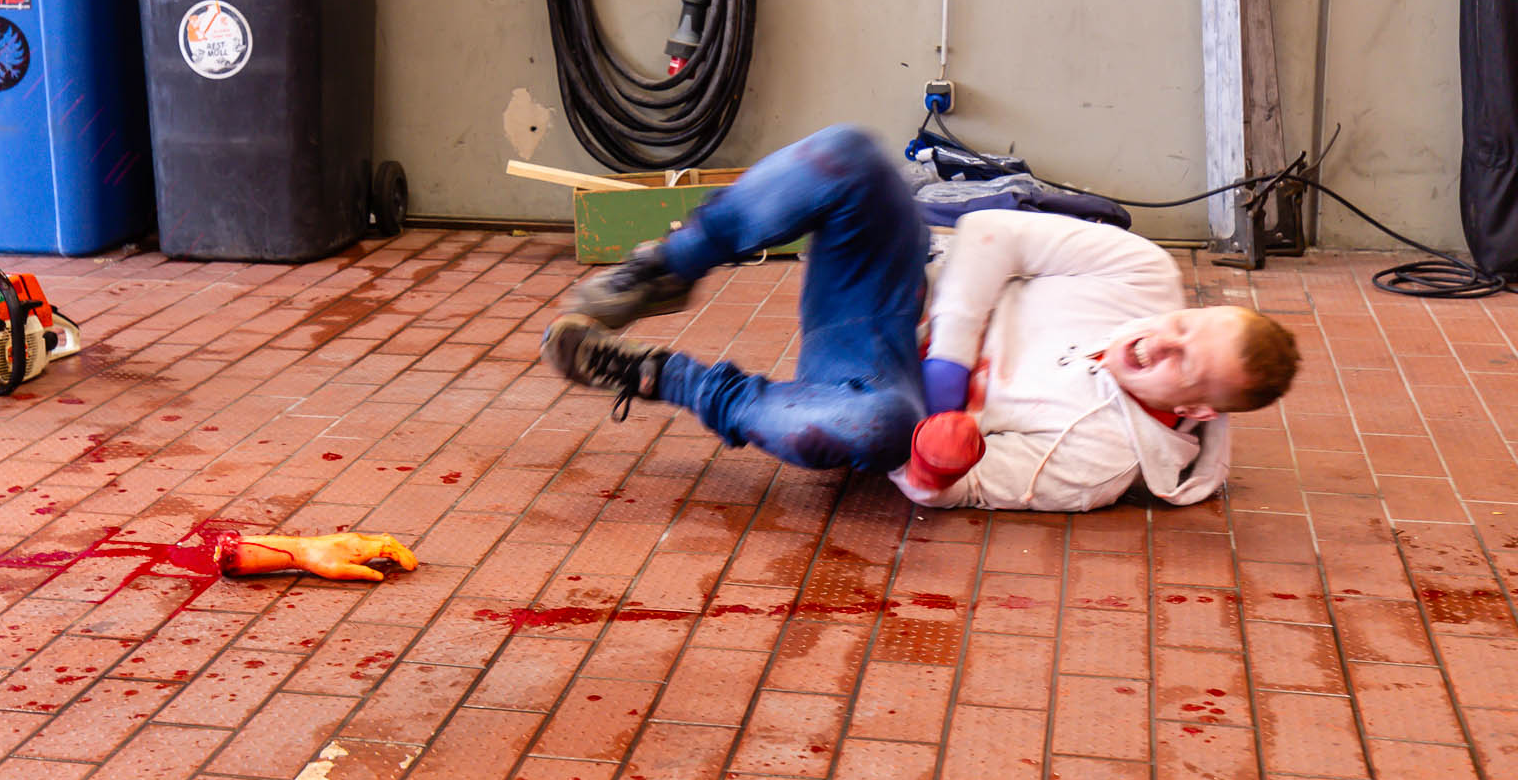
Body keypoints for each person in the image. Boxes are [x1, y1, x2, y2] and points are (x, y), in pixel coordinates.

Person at [541, 125, 1299, 513]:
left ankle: (662, 376)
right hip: (897, 283)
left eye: (1182, 363)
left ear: (1199, 409)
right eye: (1185, 327)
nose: (1161, 341)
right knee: (849, 153)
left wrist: (938, 458)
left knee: (875, 428)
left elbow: (944, 489)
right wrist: (948, 368)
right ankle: (668, 267)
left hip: (869, 381)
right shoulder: (1145, 277)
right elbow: (991, 232)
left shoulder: (1102, 462)